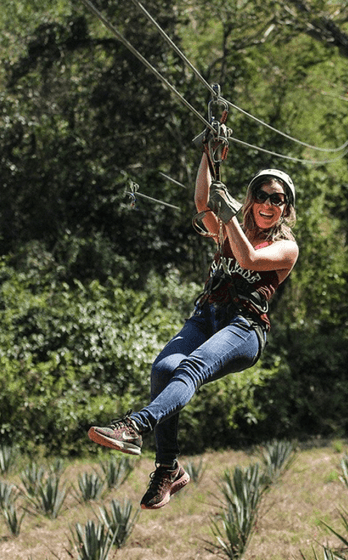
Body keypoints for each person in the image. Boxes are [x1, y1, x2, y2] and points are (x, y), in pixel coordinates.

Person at [88, 151, 299, 510]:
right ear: (252, 199)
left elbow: (248, 258)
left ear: (286, 208)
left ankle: (135, 427)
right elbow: (202, 201)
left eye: (276, 199)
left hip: (244, 328)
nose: (267, 204)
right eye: (261, 195)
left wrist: (228, 213)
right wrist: (209, 152)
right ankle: (168, 467)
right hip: (207, 316)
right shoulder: (229, 228)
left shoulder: (286, 247)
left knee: (191, 367)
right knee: (164, 369)